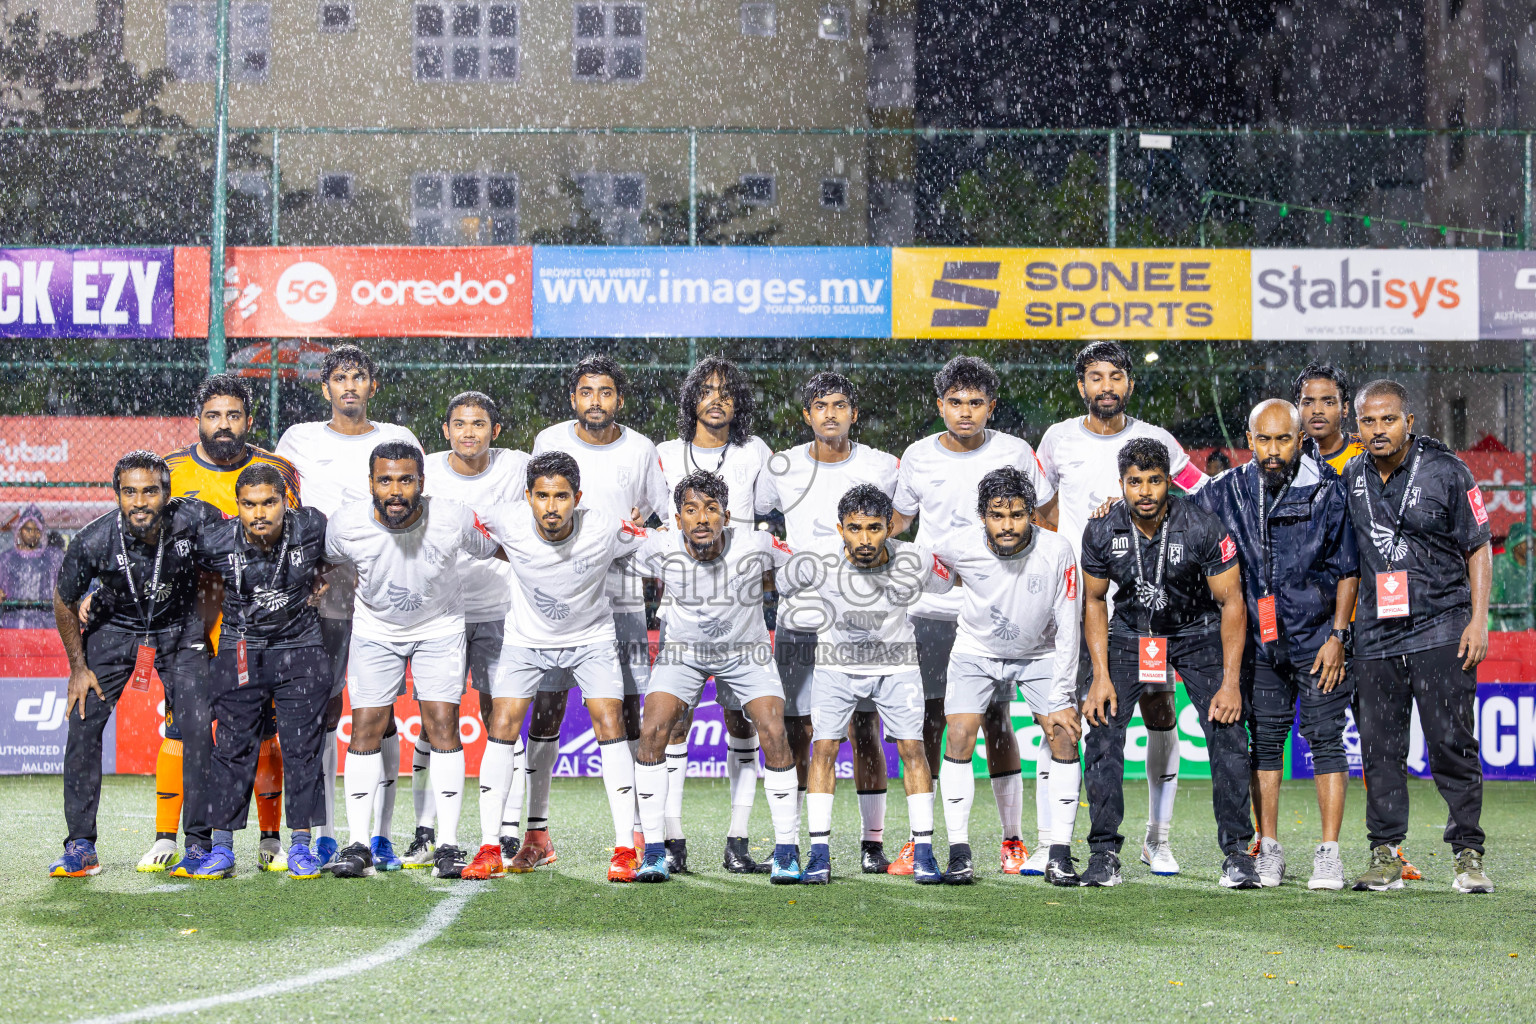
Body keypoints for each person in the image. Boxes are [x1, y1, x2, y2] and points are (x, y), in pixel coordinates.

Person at [1034, 340, 1207, 877]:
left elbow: (1198, 499)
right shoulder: (1058, 439)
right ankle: (1051, 841)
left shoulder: (1155, 441)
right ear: (1081, 385)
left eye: (1115, 376)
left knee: (1159, 713)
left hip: (1143, 606)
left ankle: (1158, 838)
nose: (1105, 386)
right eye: (1094, 376)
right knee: (1062, 714)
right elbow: (1042, 513)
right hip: (1076, 603)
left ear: (1129, 383)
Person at [890, 355, 1054, 876]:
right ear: (940, 405)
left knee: (997, 721)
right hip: (931, 609)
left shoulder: (1014, 452)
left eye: (976, 403)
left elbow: (1045, 519)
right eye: (955, 403)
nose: (965, 413)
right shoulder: (917, 456)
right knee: (932, 722)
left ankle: (1013, 839)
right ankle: (925, 840)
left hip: (998, 609)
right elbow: (897, 524)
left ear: (992, 406)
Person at [1194, 399, 1360, 890]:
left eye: (1282, 439)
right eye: (1263, 440)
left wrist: (1337, 635)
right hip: (1261, 648)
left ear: (1299, 440)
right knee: (1264, 744)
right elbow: (1173, 515)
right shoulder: (1226, 491)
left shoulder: (1327, 491)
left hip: (1318, 642)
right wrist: (1111, 506)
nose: (1272, 450)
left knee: (1326, 742)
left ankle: (1328, 854)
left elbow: (1349, 569)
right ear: (1249, 441)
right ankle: (1268, 848)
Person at [1080, 438, 1258, 889]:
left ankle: (1237, 853)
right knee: (1103, 728)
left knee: (1227, 728)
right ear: (1121, 484)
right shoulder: (1101, 530)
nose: (1144, 491)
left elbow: (1232, 601)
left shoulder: (1200, 525)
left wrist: (1231, 682)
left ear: (1169, 481)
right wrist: (1100, 675)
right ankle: (1103, 854)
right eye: (1134, 482)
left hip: (1193, 632)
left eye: (1154, 481)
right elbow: (1095, 600)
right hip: (1129, 633)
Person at [322, 441, 501, 879]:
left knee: (442, 722)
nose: (396, 489)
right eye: (385, 480)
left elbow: (498, 547)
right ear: (371, 484)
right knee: (366, 725)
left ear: (422, 482)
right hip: (375, 630)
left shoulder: (454, 516)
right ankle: (359, 844)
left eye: (406, 479)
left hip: (438, 627)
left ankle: (448, 846)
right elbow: (320, 561)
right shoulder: (345, 525)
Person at [1342, 379, 1494, 894]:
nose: (1378, 430)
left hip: (1441, 624)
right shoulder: (1351, 475)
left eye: (1388, 420)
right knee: (1379, 748)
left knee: (1451, 741)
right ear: (1356, 426)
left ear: (1409, 422)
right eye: (1368, 421)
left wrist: (1479, 619)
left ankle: (1468, 854)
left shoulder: (1447, 470)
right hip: (1377, 634)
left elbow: (1478, 547)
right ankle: (1385, 854)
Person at [474, 452, 652, 883]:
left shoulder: (607, 525)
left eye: (561, 496)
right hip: (527, 642)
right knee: (503, 723)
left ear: (578, 498)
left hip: (592, 640)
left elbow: (655, 542)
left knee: (611, 720)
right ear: (527, 497)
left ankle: (626, 847)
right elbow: (459, 528)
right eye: (542, 496)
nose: (551, 507)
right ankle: (489, 846)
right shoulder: (506, 520)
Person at [276, 345, 420, 870]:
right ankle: (327, 832)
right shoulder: (298, 440)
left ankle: (380, 835)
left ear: (372, 386)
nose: (350, 386)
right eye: (340, 378)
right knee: (324, 710)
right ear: (326, 389)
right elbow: (284, 504)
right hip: (324, 591)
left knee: (378, 715)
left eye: (359, 376)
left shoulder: (396, 441)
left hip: (385, 589)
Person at [154, 372, 302, 874]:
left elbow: (294, 541)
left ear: (250, 420)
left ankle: (268, 839)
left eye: (233, 415)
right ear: (198, 420)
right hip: (189, 624)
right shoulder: (170, 470)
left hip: (259, 625)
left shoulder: (277, 469)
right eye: (214, 415)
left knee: (261, 735)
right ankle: (167, 838)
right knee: (184, 730)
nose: (223, 425)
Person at [524, 356, 668, 872]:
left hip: (622, 599)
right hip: (556, 600)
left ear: (619, 400)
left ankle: (632, 836)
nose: (595, 401)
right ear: (573, 399)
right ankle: (537, 835)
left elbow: (664, 515)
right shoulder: (548, 440)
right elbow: (533, 507)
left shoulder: (640, 449)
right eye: (586, 392)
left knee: (625, 714)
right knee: (546, 711)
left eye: (605, 392)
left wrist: (641, 522)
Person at [48, 451, 221, 877]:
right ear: (117, 495)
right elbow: (63, 599)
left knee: (198, 728)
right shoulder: (94, 538)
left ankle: (199, 844)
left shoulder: (196, 519)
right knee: (83, 721)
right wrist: (78, 667)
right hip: (115, 629)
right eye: (130, 492)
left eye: (150, 491)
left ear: (167, 493)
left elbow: (234, 559)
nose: (140, 501)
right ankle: (81, 846)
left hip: (180, 631)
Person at [757, 372, 902, 874]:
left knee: (866, 728)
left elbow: (898, 523)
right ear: (807, 415)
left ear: (853, 414)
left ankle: (872, 842)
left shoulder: (883, 466)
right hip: (801, 616)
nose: (831, 414)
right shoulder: (782, 466)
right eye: (821, 405)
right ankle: (792, 844)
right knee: (799, 730)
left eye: (841, 405)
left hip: (865, 619)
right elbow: (754, 518)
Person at [629, 471, 803, 883]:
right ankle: (655, 851)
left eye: (711, 509)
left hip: (746, 652)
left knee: (774, 732)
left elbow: (798, 565)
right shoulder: (657, 546)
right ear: (677, 518)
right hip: (684, 652)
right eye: (691, 510)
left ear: (727, 515)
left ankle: (786, 852)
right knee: (653, 728)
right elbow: (608, 555)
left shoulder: (756, 544)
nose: (702, 518)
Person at [774, 484, 951, 884]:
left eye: (874, 527)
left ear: (891, 526)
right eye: (855, 528)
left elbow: (953, 580)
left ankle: (923, 851)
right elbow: (776, 581)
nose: (865, 539)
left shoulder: (916, 560)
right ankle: (819, 854)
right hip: (836, 667)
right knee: (823, 748)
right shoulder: (817, 561)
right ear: (840, 529)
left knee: (913, 749)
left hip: (897, 666)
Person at [932, 469, 1084, 887]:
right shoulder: (957, 545)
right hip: (976, 652)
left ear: (1031, 514)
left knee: (1064, 734)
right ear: (982, 516)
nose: (1008, 525)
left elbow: (1070, 624)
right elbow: (925, 570)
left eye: (1017, 515)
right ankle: (959, 854)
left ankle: (1060, 853)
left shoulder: (1057, 550)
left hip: (1040, 653)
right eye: (998, 516)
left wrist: (1064, 691)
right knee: (960, 734)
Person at [656, 356, 775, 873]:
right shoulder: (663, 454)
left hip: (741, 606)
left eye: (726, 391)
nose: (717, 399)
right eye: (706, 390)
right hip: (683, 604)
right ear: (692, 399)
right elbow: (651, 524)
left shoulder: (755, 453)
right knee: (674, 723)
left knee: (741, 722)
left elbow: (768, 519)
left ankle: (738, 838)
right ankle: (672, 839)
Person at [188, 464, 330, 880]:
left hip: (300, 647)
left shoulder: (312, 526)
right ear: (237, 506)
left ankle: (302, 846)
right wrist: (98, 595)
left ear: (286, 501)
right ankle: (222, 849)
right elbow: (176, 569)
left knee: (302, 749)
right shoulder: (214, 540)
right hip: (240, 648)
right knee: (231, 748)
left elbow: (354, 549)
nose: (259, 513)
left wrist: (326, 576)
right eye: (249, 505)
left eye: (269, 502)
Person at [420, 392, 531, 876]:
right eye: (460, 423)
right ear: (445, 430)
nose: (469, 431)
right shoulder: (424, 469)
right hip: (438, 612)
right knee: (434, 718)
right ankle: (427, 830)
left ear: (496, 431)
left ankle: (508, 827)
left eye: (479, 423)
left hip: (498, 610)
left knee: (498, 715)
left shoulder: (518, 467)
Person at [0, 504, 64, 628]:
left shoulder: (53, 558)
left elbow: (66, 586)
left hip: (45, 623)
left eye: (37, 530)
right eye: (28, 529)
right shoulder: (6, 559)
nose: (32, 534)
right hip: (13, 621)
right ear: (19, 530)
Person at [1294, 362, 1364, 474]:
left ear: (1345, 408)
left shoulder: (1365, 451)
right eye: (1307, 403)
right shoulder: (1287, 454)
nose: (1317, 411)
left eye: (1328, 402)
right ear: (1298, 408)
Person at [1488, 522, 1532, 631]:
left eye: (1533, 541)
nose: (1530, 545)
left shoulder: (1533, 567)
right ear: (1515, 544)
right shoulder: (1501, 563)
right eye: (1525, 542)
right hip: (1503, 624)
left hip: (1529, 624)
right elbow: (1492, 598)